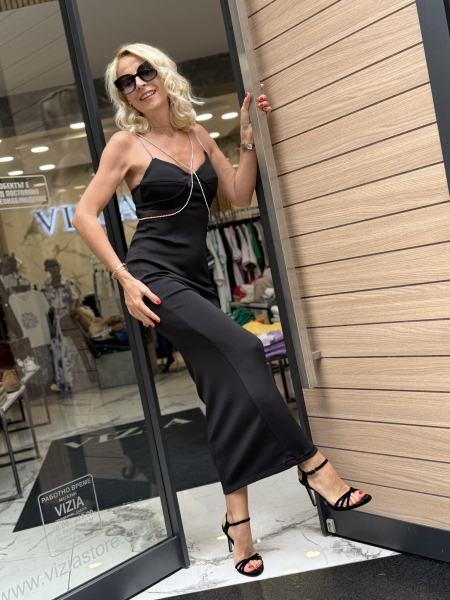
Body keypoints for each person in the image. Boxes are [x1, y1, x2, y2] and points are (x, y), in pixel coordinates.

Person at [72, 43, 372, 578]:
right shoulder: (126, 143)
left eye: (144, 72)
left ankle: (239, 527)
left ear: (162, 73)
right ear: (122, 96)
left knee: (225, 398)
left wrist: (248, 141)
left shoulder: (196, 135)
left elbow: (237, 191)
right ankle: (315, 467)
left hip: (198, 280)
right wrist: (124, 277)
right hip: (155, 279)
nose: (138, 84)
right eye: (125, 82)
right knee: (248, 349)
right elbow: (84, 215)